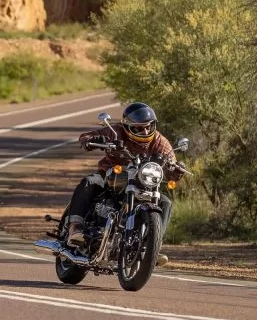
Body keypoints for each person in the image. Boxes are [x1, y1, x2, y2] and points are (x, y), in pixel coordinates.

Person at [65, 102, 184, 267]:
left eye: (149, 127)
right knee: (89, 182)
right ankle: (75, 227)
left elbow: (171, 163)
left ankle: (151, 247)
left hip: (142, 182)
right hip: (111, 174)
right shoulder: (115, 132)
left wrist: (177, 169)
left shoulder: (159, 141)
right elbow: (86, 136)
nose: (145, 131)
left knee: (165, 202)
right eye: (138, 128)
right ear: (127, 126)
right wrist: (91, 140)